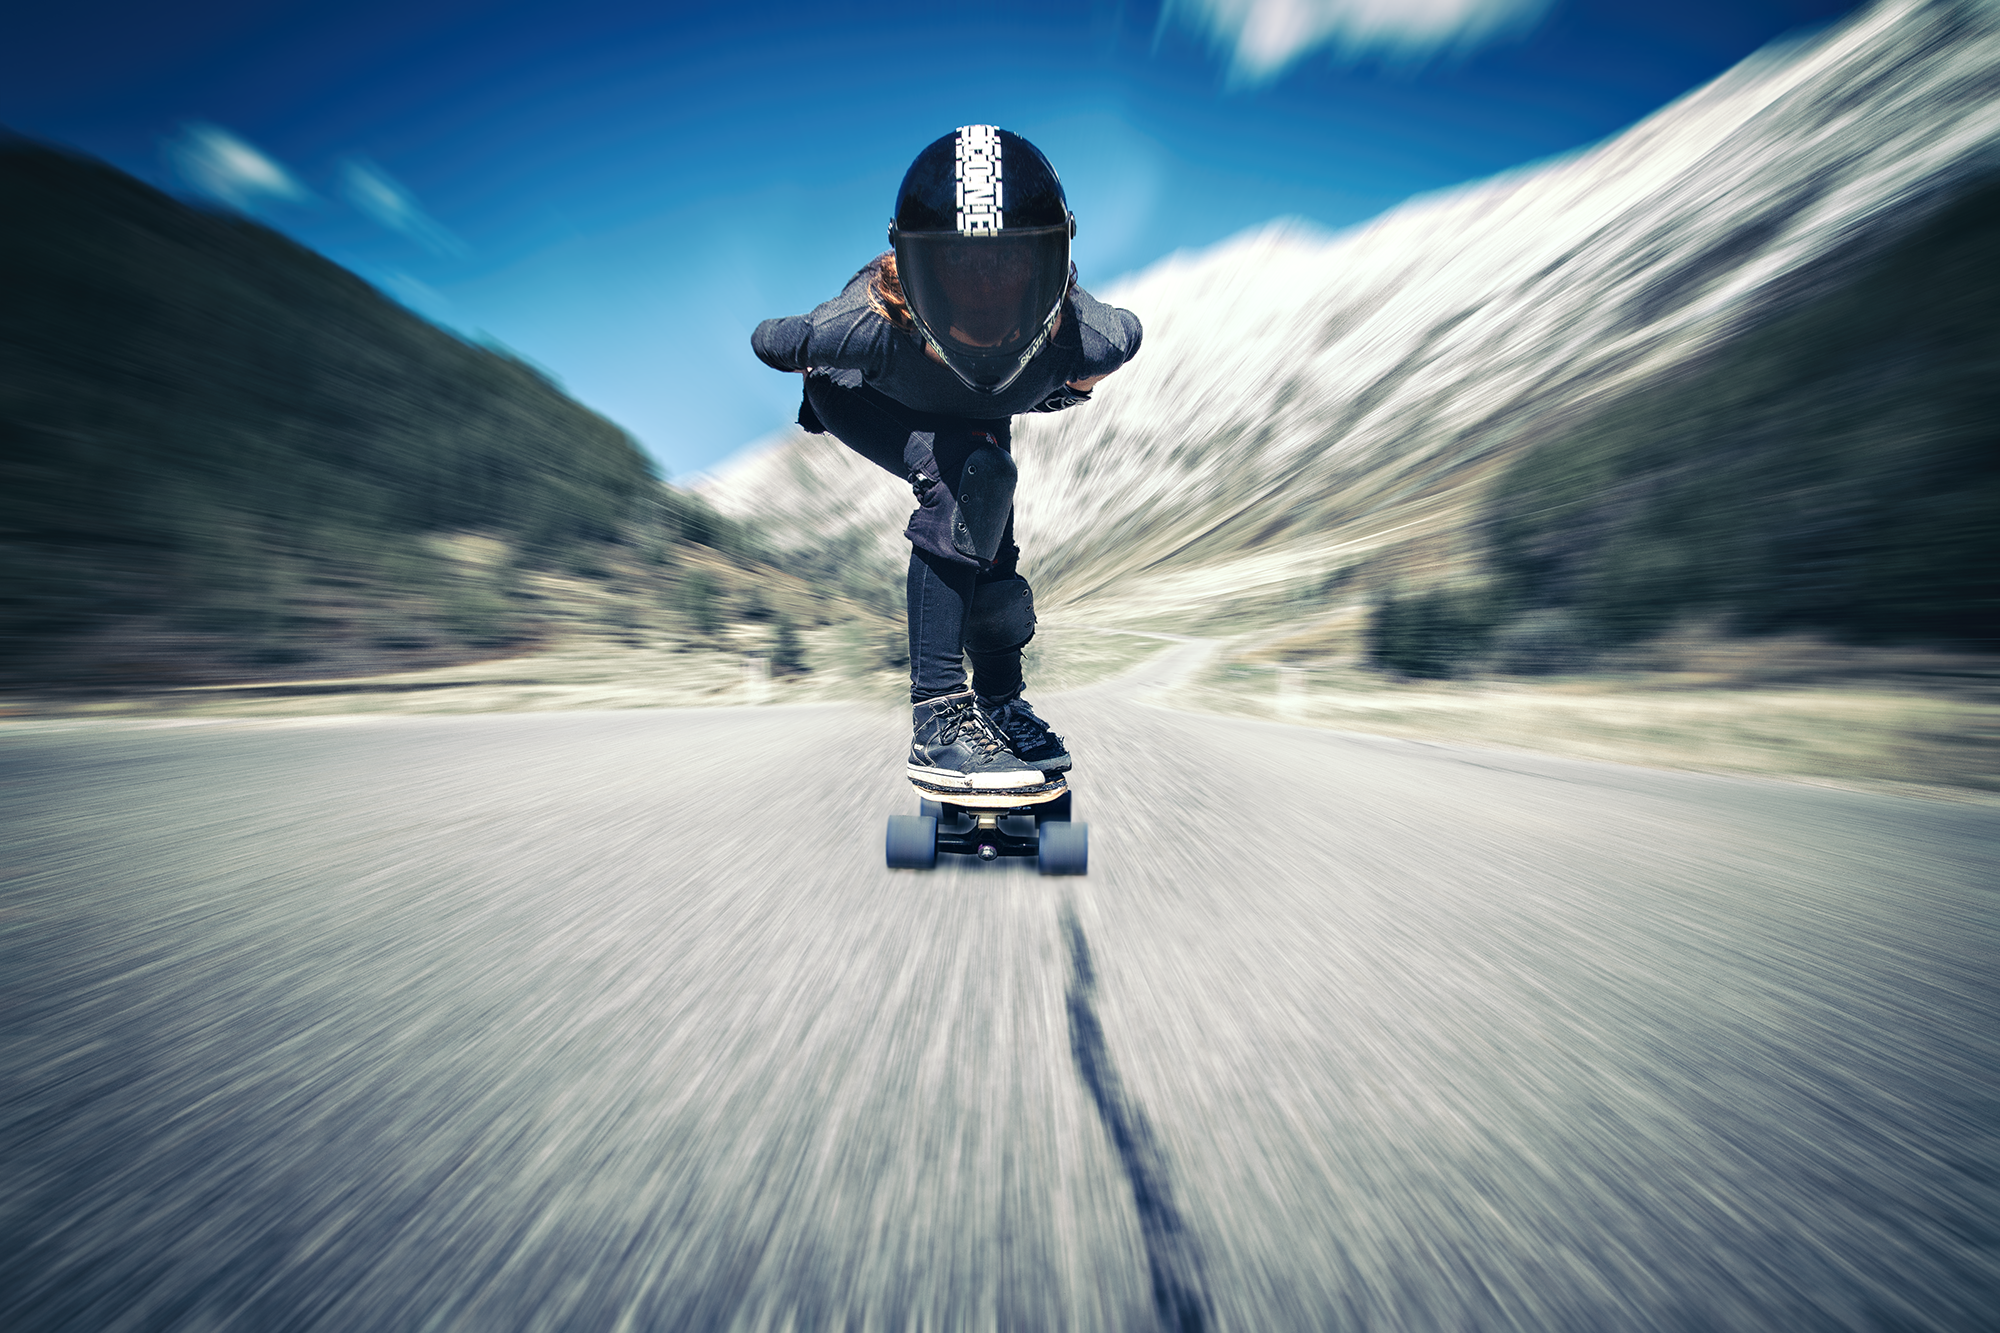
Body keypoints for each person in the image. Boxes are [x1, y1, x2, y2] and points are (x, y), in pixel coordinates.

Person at [751, 125, 1143, 792]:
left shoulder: (1086, 339)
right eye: (961, 274)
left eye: (1009, 270)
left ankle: (999, 702)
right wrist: (806, 348)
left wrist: (1055, 390)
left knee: (994, 544)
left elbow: (1067, 377)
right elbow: (775, 340)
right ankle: (936, 721)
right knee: (969, 480)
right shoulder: (868, 323)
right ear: (911, 272)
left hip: (979, 415)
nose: (985, 302)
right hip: (866, 395)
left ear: (1052, 266)